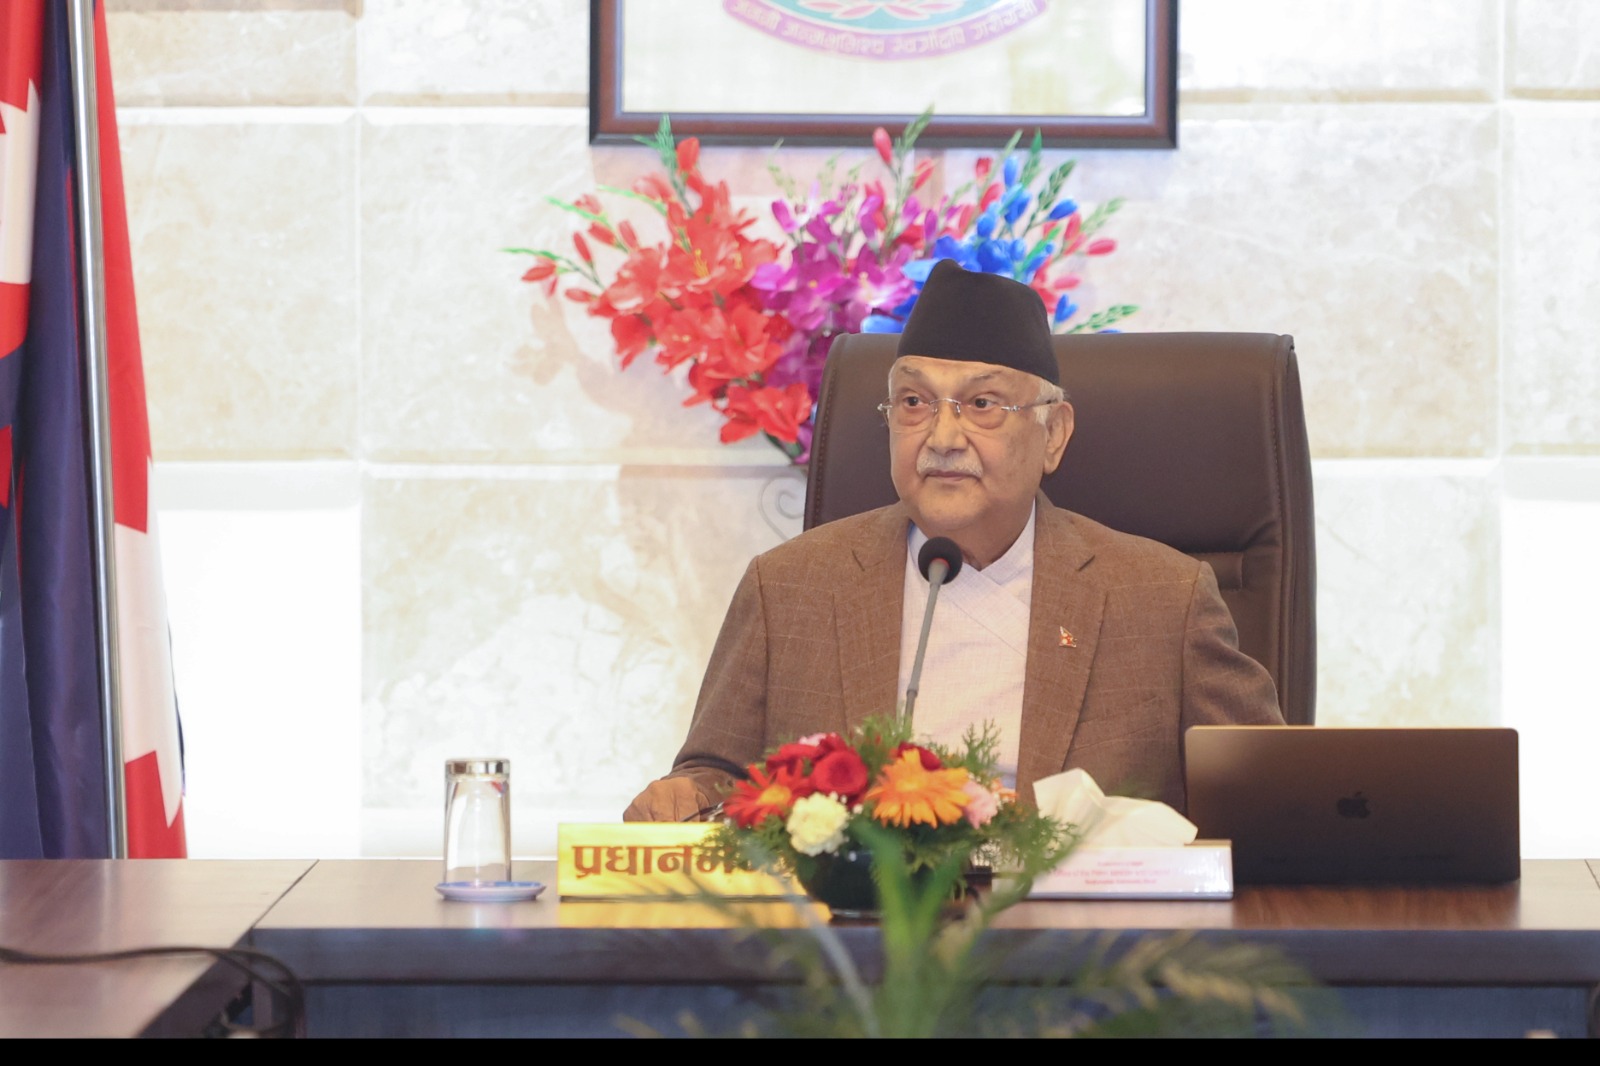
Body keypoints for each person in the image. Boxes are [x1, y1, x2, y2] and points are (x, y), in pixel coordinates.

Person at [623, 259, 1283, 821]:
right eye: (914, 403)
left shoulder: (1164, 599)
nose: (941, 438)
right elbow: (718, 776)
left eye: (982, 404)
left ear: (1053, 434)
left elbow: (1273, 800)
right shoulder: (789, 586)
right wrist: (685, 797)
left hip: (1074, 932)